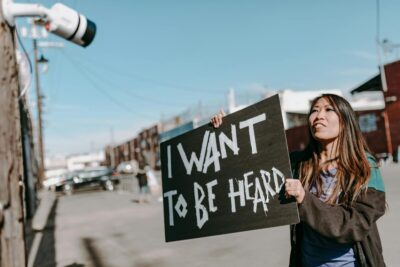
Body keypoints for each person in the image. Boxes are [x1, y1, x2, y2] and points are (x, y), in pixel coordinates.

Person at [211, 94, 386, 267]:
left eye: (328, 109)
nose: (319, 116)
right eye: (314, 111)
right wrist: (226, 133)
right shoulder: (297, 164)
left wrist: (304, 199)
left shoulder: (363, 167)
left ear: (345, 121)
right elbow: (249, 168)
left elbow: (354, 225)